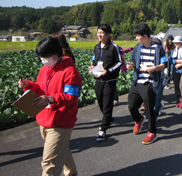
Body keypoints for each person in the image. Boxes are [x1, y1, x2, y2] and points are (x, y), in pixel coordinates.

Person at [18, 36, 82, 176]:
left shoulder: (70, 71)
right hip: (44, 118)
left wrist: (51, 99)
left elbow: (72, 96)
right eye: (40, 57)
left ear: (55, 54)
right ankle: (72, 173)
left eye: (44, 56)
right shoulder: (44, 70)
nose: (42, 60)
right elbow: (41, 90)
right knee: (62, 150)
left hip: (62, 120)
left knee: (49, 162)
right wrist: (28, 85)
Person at [126, 23, 167, 145]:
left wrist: (154, 68)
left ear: (145, 36)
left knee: (149, 108)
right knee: (132, 106)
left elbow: (164, 64)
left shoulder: (158, 48)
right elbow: (133, 61)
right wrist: (130, 65)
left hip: (150, 82)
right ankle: (139, 119)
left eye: (138, 36)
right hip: (137, 81)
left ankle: (152, 132)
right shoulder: (137, 48)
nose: (136, 38)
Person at [88, 24, 122, 142]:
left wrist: (108, 71)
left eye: (102, 33)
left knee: (107, 103)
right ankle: (108, 118)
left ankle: (103, 129)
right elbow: (94, 58)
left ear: (108, 34)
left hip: (109, 79)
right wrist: (92, 66)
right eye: (98, 32)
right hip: (98, 79)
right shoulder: (96, 47)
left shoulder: (114, 47)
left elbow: (119, 62)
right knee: (100, 102)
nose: (99, 35)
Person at [152, 36, 166, 120]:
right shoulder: (149, 51)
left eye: (156, 43)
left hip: (160, 78)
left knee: (158, 97)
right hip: (151, 79)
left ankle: (155, 114)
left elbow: (165, 67)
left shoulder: (162, 53)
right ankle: (158, 107)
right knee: (152, 98)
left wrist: (165, 80)